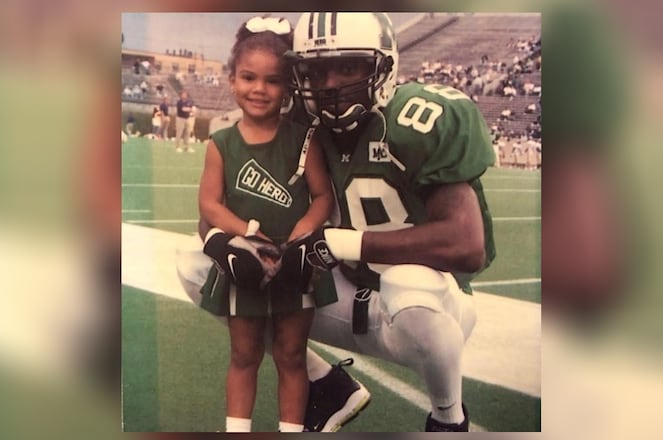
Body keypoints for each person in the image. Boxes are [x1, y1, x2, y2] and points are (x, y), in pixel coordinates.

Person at [177, 12, 495, 432]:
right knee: (198, 264)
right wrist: (229, 244)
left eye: (348, 68)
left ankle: (448, 418)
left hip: (430, 308)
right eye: (318, 71)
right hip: (342, 291)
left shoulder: (416, 118)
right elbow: (214, 210)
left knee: (411, 286)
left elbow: (466, 245)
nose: (330, 85)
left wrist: (336, 244)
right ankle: (325, 385)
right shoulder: (299, 127)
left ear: (383, 65)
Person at [196, 15, 335, 433]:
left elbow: (323, 197)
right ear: (232, 80)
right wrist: (247, 235)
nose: (260, 89)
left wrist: (302, 232)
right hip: (246, 264)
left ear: (288, 86)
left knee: (292, 356)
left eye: (273, 81)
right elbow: (208, 203)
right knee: (244, 355)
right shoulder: (221, 143)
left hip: (295, 264)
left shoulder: (303, 139)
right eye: (249, 77)